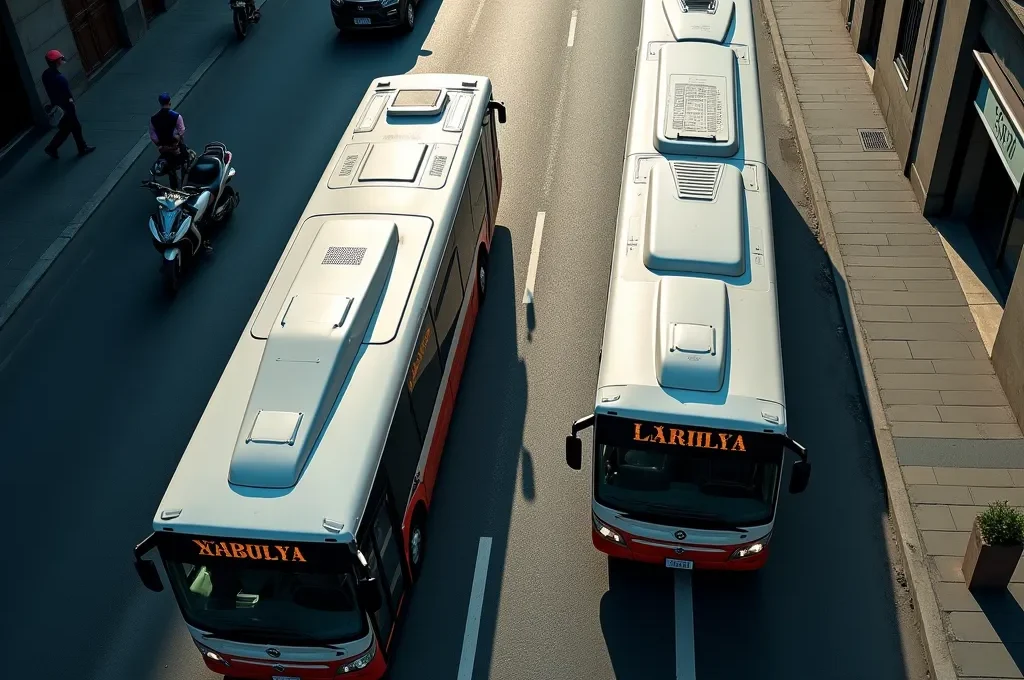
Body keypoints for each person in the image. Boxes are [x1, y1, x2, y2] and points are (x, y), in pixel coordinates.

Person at [41, 50, 95, 159]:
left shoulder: (46, 75)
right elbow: (67, 95)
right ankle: (81, 148)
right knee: (75, 127)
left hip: (57, 106)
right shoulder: (60, 79)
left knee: (67, 128)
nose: (62, 60)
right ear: (56, 62)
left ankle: (52, 148)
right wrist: (72, 104)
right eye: (60, 59)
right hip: (66, 107)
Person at [149, 92, 189, 189]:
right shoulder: (176, 116)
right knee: (185, 160)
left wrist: (161, 144)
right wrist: (176, 139)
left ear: (160, 103)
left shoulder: (153, 119)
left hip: (163, 148)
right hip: (176, 147)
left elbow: (153, 136)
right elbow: (181, 130)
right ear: (170, 102)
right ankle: (183, 184)